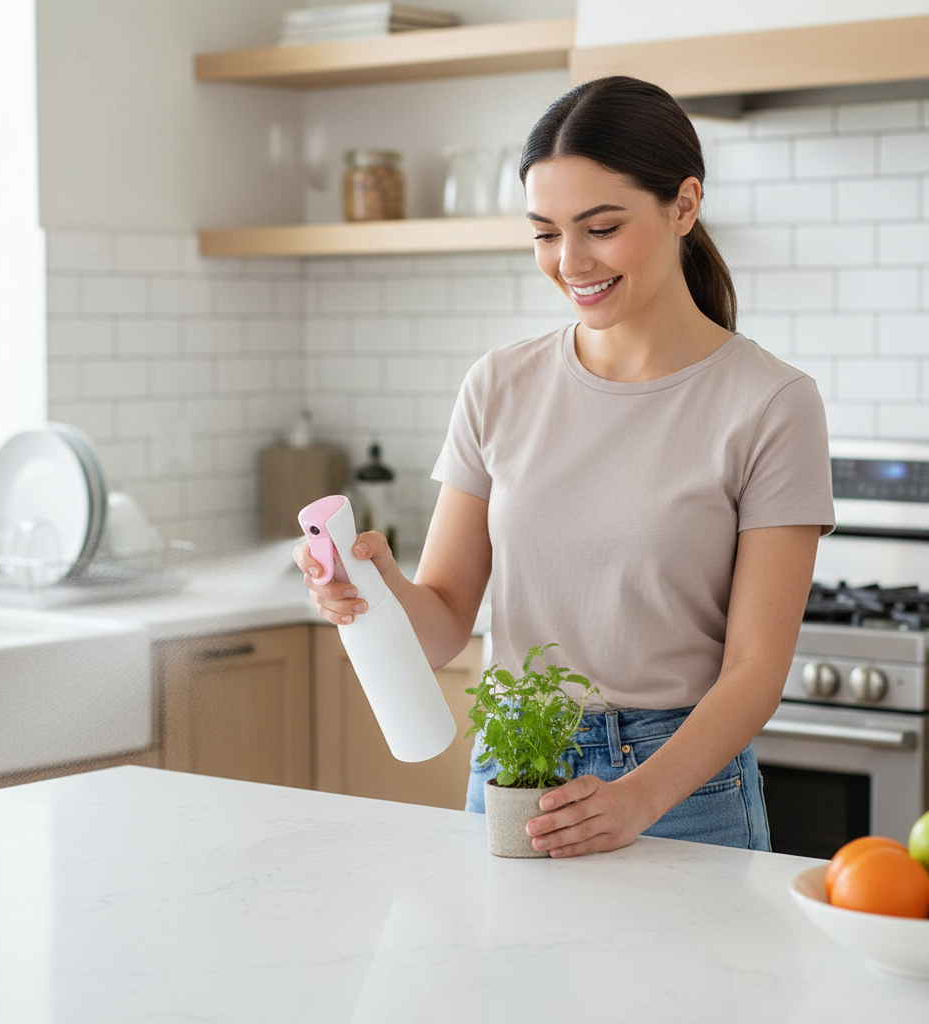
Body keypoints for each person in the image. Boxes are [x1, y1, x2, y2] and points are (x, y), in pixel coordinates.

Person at [295, 76, 835, 857]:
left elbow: (755, 671)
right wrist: (368, 590)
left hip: (680, 788)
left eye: (601, 227)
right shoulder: (499, 384)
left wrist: (635, 798)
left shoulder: (772, 402)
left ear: (684, 205)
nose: (569, 261)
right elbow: (444, 624)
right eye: (545, 232)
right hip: (515, 767)